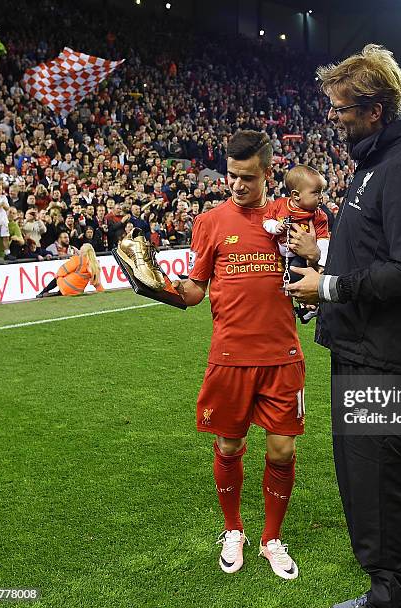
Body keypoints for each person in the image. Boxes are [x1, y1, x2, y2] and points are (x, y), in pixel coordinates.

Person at [118, 130, 312, 580]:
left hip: (282, 355)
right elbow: (193, 293)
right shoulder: (209, 223)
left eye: (247, 177)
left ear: (267, 173)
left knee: (282, 450)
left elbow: (313, 270)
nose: (237, 185)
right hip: (229, 357)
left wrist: (314, 259)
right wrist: (158, 287)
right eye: (231, 175)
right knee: (229, 444)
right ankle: (233, 529)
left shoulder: (290, 217)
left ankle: (272, 539)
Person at [288, 45, 401, 608]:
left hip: (385, 360)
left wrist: (327, 286)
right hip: (356, 348)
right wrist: (322, 265)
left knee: (382, 481)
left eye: (342, 109)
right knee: (360, 481)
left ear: (375, 109)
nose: (336, 119)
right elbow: (372, 254)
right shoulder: (372, 166)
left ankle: (393, 595)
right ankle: (383, 590)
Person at [262, 164, 330, 284]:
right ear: (296, 195)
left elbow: (323, 241)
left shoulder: (319, 216)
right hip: (277, 250)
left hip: (300, 255)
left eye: (321, 192)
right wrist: (275, 227)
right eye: (316, 193)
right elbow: (266, 220)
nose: (321, 197)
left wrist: (322, 264)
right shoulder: (280, 205)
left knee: (295, 274)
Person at [36, 243, 104, 297]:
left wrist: (58, 275)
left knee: (58, 277)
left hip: (67, 287)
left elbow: (63, 270)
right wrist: (101, 290)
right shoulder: (95, 264)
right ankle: (58, 293)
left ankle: (43, 292)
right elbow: (97, 283)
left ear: (83, 251)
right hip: (78, 291)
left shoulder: (79, 259)